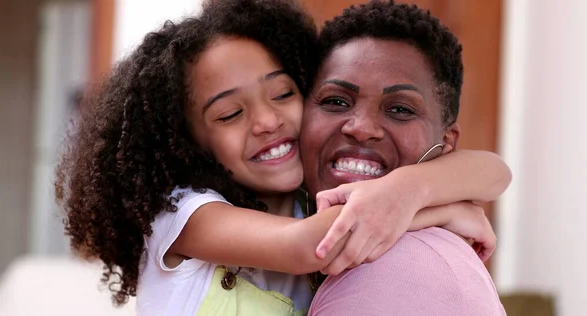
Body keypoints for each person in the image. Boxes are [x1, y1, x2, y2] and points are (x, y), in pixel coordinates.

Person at [54, 0, 510, 315]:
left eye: (284, 93)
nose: (267, 121)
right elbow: (308, 246)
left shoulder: (305, 205)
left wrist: (411, 190)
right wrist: (442, 207)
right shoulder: (185, 215)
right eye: (230, 113)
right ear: (190, 142)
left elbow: (494, 171)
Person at [302, 1, 508, 315]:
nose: (362, 128)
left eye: (400, 109)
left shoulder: (398, 271)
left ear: (446, 143)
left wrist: (412, 193)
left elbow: (498, 172)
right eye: (336, 101)